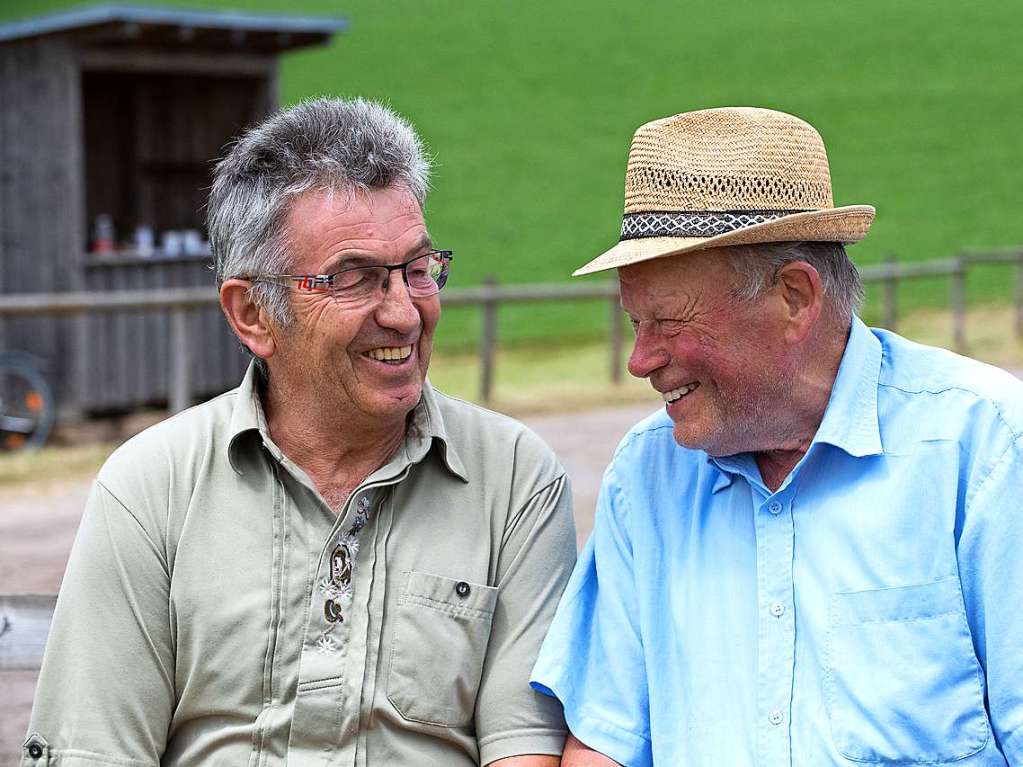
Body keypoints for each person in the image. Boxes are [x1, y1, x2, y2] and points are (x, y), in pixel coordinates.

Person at [22, 98, 575, 767]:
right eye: (354, 278)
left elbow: (524, 752)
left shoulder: (513, 478)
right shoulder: (152, 486)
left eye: (418, 268)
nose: (403, 312)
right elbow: (95, 752)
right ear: (253, 313)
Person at [530, 107, 1023, 766]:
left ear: (793, 297)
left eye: (667, 322)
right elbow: (604, 742)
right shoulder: (646, 472)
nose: (639, 360)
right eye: (633, 322)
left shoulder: (984, 446)